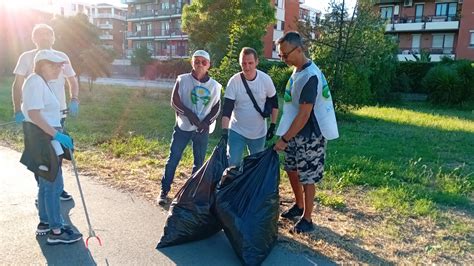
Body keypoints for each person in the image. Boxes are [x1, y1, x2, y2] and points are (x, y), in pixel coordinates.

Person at [274, 32, 339, 234]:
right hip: (295, 133)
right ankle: (299, 205)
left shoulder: (310, 76)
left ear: (299, 49)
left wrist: (284, 139)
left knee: (307, 176)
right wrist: (286, 136)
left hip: (310, 135)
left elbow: (304, 115)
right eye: (281, 55)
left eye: (285, 55)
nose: (283, 59)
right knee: (292, 169)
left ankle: (307, 218)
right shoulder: (298, 70)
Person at [20, 49, 82, 244]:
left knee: (47, 183)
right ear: (44, 65)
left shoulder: (41, 82)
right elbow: (35, 114)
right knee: (54, 184)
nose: (59, 69)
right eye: (56, 65)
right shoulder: (35, 81)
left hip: (46, 137)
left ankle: (46, 222)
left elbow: (43, 114)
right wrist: (57, 135)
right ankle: (57, 231)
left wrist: (59, 135)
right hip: (44, 139)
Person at [12, 24, 79, 201]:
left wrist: (74, 99)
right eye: (40, 34)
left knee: (57, 153)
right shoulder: (26, 58)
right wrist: (17, 109)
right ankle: (43, 190)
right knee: (40, 155)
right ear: (34, 38)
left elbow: (72, 80)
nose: (44, 37)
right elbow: (17, 85)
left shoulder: (61, 57)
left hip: (58, 115)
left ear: (53, 37)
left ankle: (57, 189)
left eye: (48, 34)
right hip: (36, 118)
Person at [157, 50, 222, 205]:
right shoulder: (182, 79)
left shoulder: (215, 86)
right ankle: (164, 191)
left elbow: (216, 107)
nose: (199, 64)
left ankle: (190, 195)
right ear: (192, 63)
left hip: (202, 131)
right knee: (173, 159)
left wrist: (205, 123)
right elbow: (174, 101)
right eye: (196, 61)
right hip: (183, 127)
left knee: (198, 163)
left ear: (209, 65)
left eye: (203, 62)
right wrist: (189, 115)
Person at [221, 47, 279, 167]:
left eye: (250, 63)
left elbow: (275, 104)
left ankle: (250, 186)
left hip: (258, 132)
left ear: (257, 62)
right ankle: (232, 185)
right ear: (240, 63)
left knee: (255, 166)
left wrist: (273, 126)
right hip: (237, 130)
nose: (247, 67)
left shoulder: (265, 80)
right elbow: (227, 110)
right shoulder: (234, 81)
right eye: (244, 63)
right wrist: (224, 132)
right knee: (232, 164)